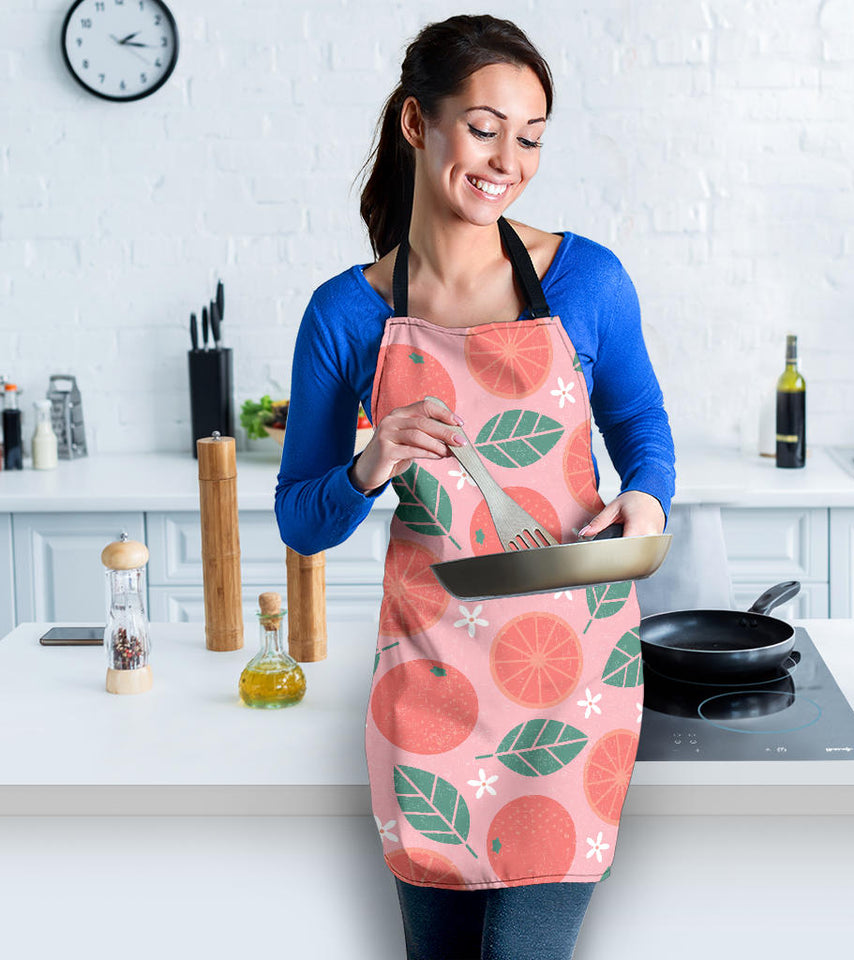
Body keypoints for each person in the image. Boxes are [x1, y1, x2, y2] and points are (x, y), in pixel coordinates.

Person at [275, 14, 675, 960]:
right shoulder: (345, 314)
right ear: (419, 124)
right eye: (485, 127)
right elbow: (303, 517)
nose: (508, 160)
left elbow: (644, 432)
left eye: (530, 138)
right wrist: (370, 465)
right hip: (431, 688)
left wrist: (647, 502)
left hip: (572, 682)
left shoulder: (588, 282)